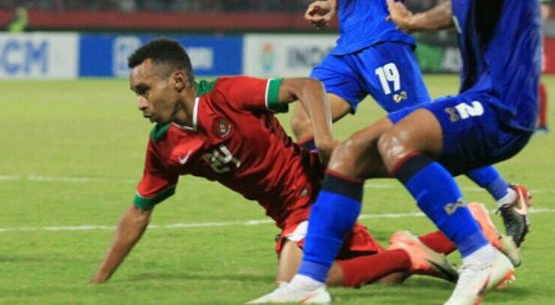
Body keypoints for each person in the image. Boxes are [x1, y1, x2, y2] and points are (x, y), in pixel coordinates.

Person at [249, 0, 540, 305]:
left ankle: (491, 220)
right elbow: (455, 0)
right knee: (332, 143)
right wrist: (399, 16)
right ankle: (308, 284)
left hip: (403, 55)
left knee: (408, 133)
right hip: (353, 43)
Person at [89, 39, 518, 289]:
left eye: (145, 90)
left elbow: (306, 86)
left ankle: (409, 255)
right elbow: (138, 212)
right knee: (377, 280)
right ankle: (459, 230)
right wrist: (100, 281)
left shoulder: (227, 95)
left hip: (311, 189)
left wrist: (326, 140)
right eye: (137, 95)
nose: (141, 103)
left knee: (293, 286)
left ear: (178, 81)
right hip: (288, 212)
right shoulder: (165, 145)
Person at [297, 0, 531, 247]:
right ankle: (320, 218)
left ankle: (505, 197)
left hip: (383, 42)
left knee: (423, 137)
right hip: (350, 45)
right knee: (306, 121)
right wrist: (336, 2)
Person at [521, 0, 551, 133]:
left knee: (533, 77)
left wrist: (533, 29)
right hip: (513, 35)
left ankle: (542, 123)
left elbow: (544, 10)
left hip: (529, 35)